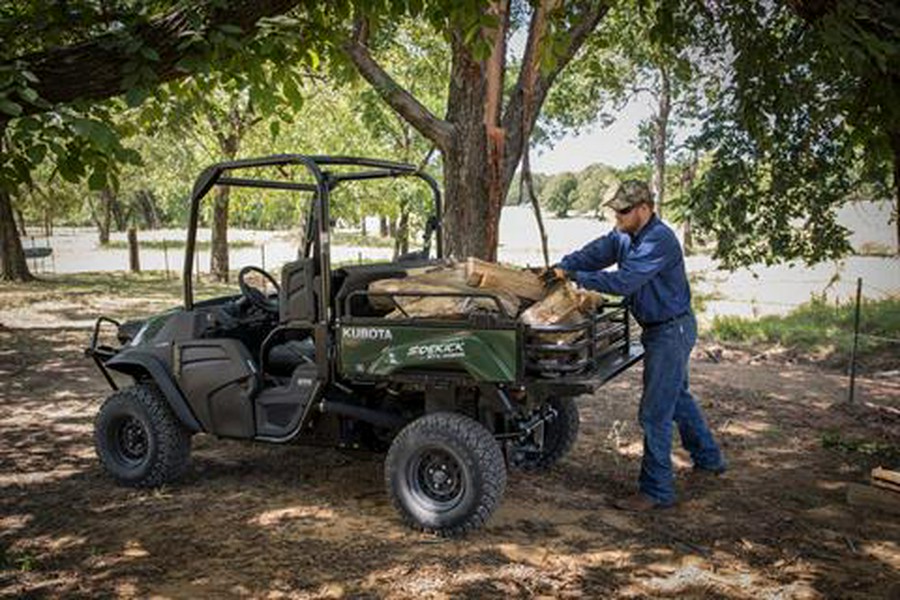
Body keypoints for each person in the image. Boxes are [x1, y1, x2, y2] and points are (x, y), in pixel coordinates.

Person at [543, 180, 725, 511]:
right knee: (678, 397)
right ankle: (710, 459)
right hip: (661, 329)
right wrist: (564, 266)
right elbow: (596, 252)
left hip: (672, 331)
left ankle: (657, 491)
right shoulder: (624, 235)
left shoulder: (659, 240)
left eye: (623, 210)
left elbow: (623, 281)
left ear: (644, 208)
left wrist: (576, 279)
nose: (617, 216)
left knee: (655, 412)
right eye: (615, 210)